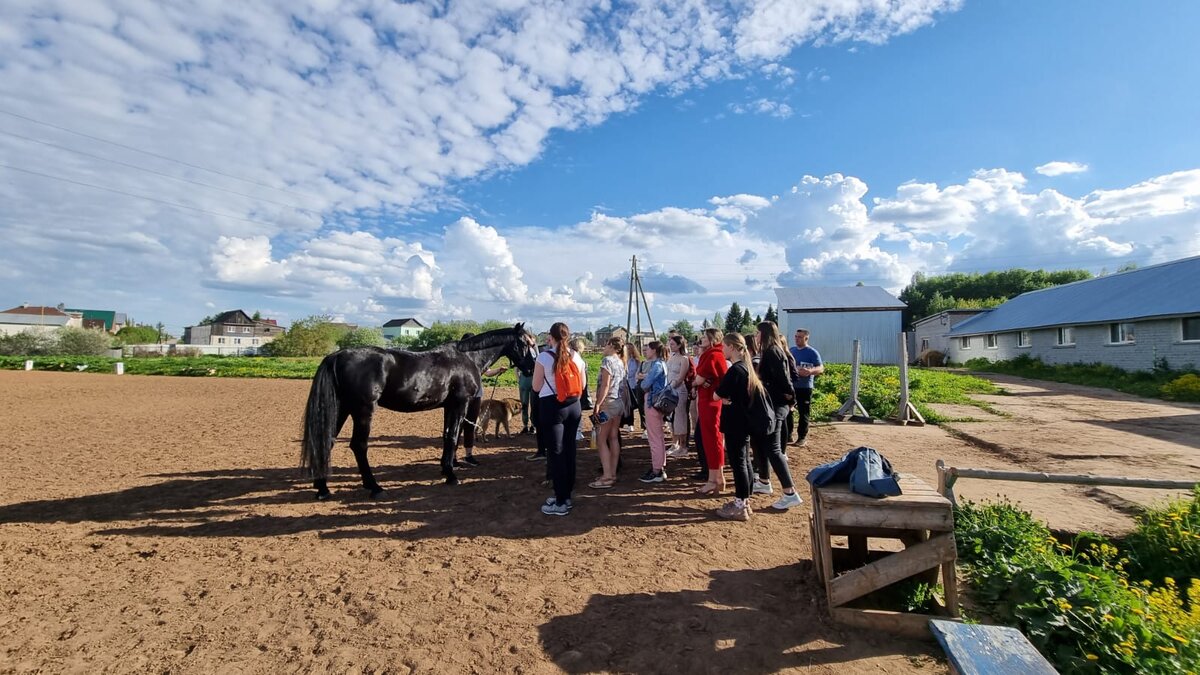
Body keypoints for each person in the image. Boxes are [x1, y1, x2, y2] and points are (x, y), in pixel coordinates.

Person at [713, 332, 770, 521]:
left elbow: (716, 395)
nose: (722, 349)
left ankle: (740, 504)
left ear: (732, 347)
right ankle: (744, 502)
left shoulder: (735, 370)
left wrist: (725, 398)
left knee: (739, 463)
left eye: (724, 346)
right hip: (744, 423)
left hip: (735, 423)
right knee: (744, 461)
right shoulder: (746, 368)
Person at [535, 322, 587, 516]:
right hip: (574, 406)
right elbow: (582, 384)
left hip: (552, 406)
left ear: (552, 336)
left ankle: (561, 500)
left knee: (556, 452)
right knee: (570, 449)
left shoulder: (544, 357)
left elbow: (536, 386)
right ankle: (566, 493)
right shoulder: (577, 356)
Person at [751, 321, 804, 510]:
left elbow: (784, 379)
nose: (755, 336)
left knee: (774, 448)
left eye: (757, 333)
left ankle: (790, 493)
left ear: (764, 334)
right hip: (772, 405)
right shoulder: (770, 350)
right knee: (761, 443)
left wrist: (791, 399)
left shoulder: (773, 351)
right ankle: (764, 481)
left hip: (776, 405)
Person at [693, 328, 728, 494]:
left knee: (711, 440)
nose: (701, 339)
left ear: (712, 338)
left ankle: (714, 479)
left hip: (710, 402)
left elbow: (699, 379)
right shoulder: (715, 353)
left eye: (704, 337)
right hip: (709, 401)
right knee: (712, 439)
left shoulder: (713, 354)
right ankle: (716, 477)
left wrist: (697, 383)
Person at [589, 336, 627, 489]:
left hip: (608, 403)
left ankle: (606, 476)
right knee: (613, 437)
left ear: (611, 345)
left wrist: (598, 404)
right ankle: (612, 473)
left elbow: (605, 385)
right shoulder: (620, 361)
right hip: (618, 403)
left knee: (601, 439)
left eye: (606, 344)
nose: (604, 347)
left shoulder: (607, 361)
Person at [637, 340, 669, 483]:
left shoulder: (656, 365)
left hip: (652, 402)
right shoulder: (662, 363)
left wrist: (644, 377)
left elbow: (645, 384)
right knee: (658, 437)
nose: (646, 351)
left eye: (648, 349)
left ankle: (657, 470)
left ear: (654, 350)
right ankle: (659, 467)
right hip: (658, 403)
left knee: (654, 438)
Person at [787, 328, 824, 447]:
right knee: (788, 411)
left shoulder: (812, 352)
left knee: (804, 412)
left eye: (800, 337)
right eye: (796, 336)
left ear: (806, 338)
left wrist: (810, 371)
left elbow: (820, 368)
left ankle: (802, 437)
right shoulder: (791, 351)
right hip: (792, 386)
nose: (797, 339)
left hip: (805, 387)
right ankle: (788, 434)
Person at [665, 335, 691, 459]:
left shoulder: (684, 359)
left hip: (679, 391)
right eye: (670, 344)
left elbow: (681, 377)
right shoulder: (672, 357)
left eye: (673, 344)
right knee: (673, 418)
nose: (671, 346)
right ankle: (676, 444)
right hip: (670, 390)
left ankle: (683, 446)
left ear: (679, 345)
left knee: (681, 417)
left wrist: (671, 387)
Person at [621, 343, 645, 433]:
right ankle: (630, 424)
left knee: (640, 406)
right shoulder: (623, 360)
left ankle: (644, 426)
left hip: (634, 385)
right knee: (628, 406)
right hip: (626, 386)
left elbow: (635, 373)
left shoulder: (636, 361)